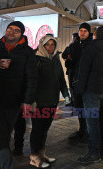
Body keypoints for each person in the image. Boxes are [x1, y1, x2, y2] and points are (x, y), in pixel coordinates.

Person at [0, 21, 38, 169]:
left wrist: (27, 101)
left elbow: (32, 78)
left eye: (16, 30)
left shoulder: (27, 52)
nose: (11, 32)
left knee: (2, 134)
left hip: (13, 101)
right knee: (0, 136)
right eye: (9, 29)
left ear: (21, 34)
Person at [27, 35, 70, 168]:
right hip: (39, 101)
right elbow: (30, 81)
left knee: (45, 129)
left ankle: (42, 154)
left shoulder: (56, 58)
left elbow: (61, 78)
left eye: (52, 45)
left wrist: (66, 94)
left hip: (52, 100)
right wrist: (30, 100)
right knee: (37, 129)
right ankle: (34, 158)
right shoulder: (36, 58)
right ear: (42, 45)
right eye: (47, 45)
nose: (50, 47)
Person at [74, 26, 103, 164]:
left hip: (91, 90)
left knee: (92, 122)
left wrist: (79, 89)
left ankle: (94, 153)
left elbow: (83, 70)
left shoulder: (90, 48)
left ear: (95, 35)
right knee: (102, 120)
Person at [62, 23, 93, 142]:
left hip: (88, 82)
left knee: (88, 108)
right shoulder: (74, 45)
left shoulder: (91, 46)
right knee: (79, 106)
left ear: (88, 32)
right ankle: (82, 129)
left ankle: (88, 131)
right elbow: (70, 60)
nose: (83, 33)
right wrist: (69, 63)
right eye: (81, 30)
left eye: (85, 31)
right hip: (75, 81)